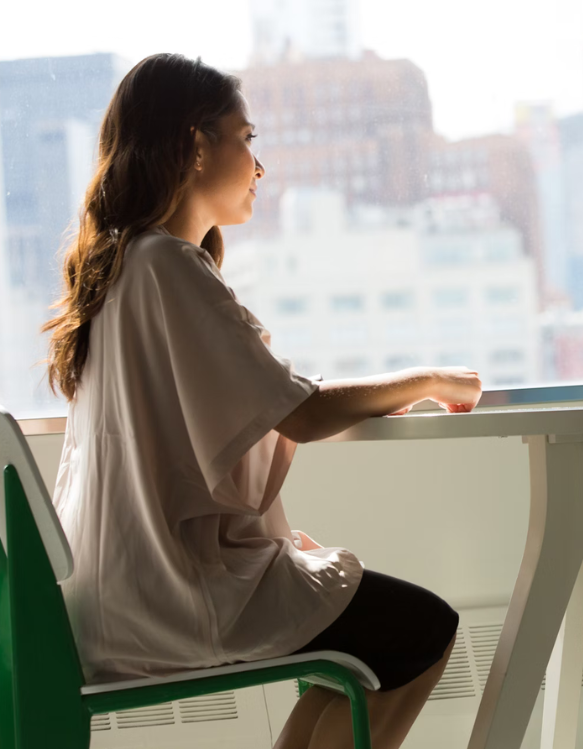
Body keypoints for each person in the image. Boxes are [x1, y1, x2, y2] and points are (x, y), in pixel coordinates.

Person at [43, 53, 482, 749]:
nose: (259, 164)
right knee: (420, 629)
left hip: (115, 591)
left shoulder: (125, 267)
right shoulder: (165, 265)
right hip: (168, 596)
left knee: (361, 651)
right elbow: (299, 411)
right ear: (195, 145)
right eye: (246, 139)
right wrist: (427, 379)